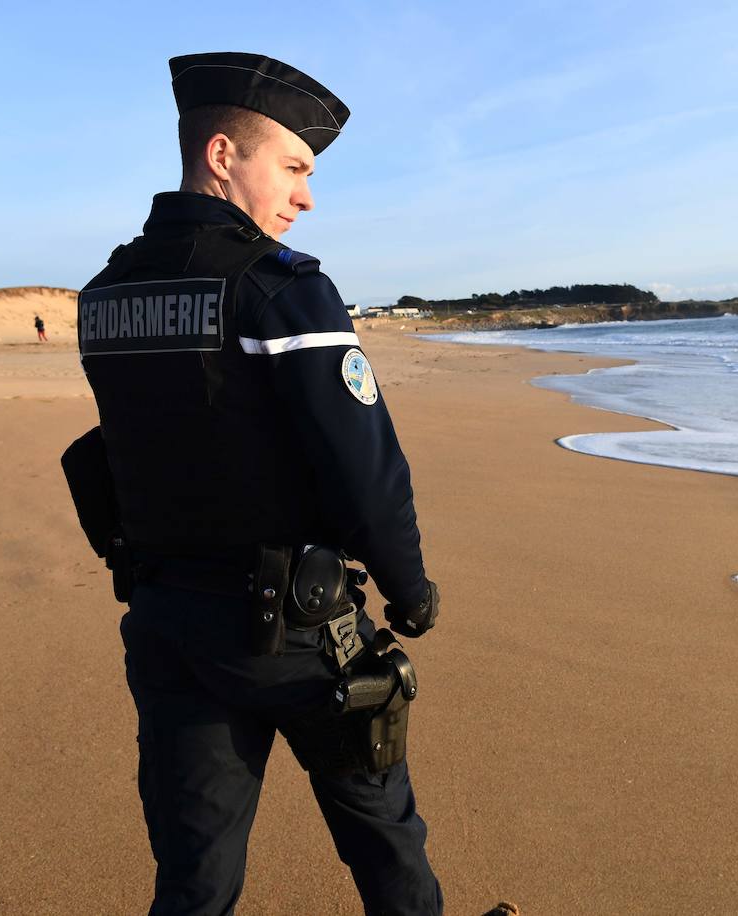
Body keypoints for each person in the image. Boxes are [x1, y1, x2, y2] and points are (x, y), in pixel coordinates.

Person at [71, 52, 457, 915]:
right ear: (221, 156)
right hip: (297, 635)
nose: (305, 196)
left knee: (195, 876)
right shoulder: (282, 289)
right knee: (386, 842)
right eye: (293, 167)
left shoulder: (107, 295)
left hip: (169, 625)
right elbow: (364, 465)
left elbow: (125, 445)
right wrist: (409, 587)